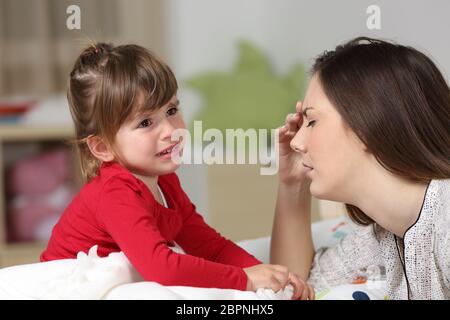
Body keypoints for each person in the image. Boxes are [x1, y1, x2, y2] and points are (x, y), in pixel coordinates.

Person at [40, 42, 313, 299]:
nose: (171, 131)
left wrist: (272, 276)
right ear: (102, 147)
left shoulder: (165, 182)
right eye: (146, 122)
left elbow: (209, 246)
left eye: (171, 110)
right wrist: (245, 279)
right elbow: (163, 268)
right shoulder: (115, 192)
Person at [271, 37, 450, 299]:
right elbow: (297, 287)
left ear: (366, 124)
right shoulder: (384, 237)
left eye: (311, 122)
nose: (296, 141)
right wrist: (292, 183)